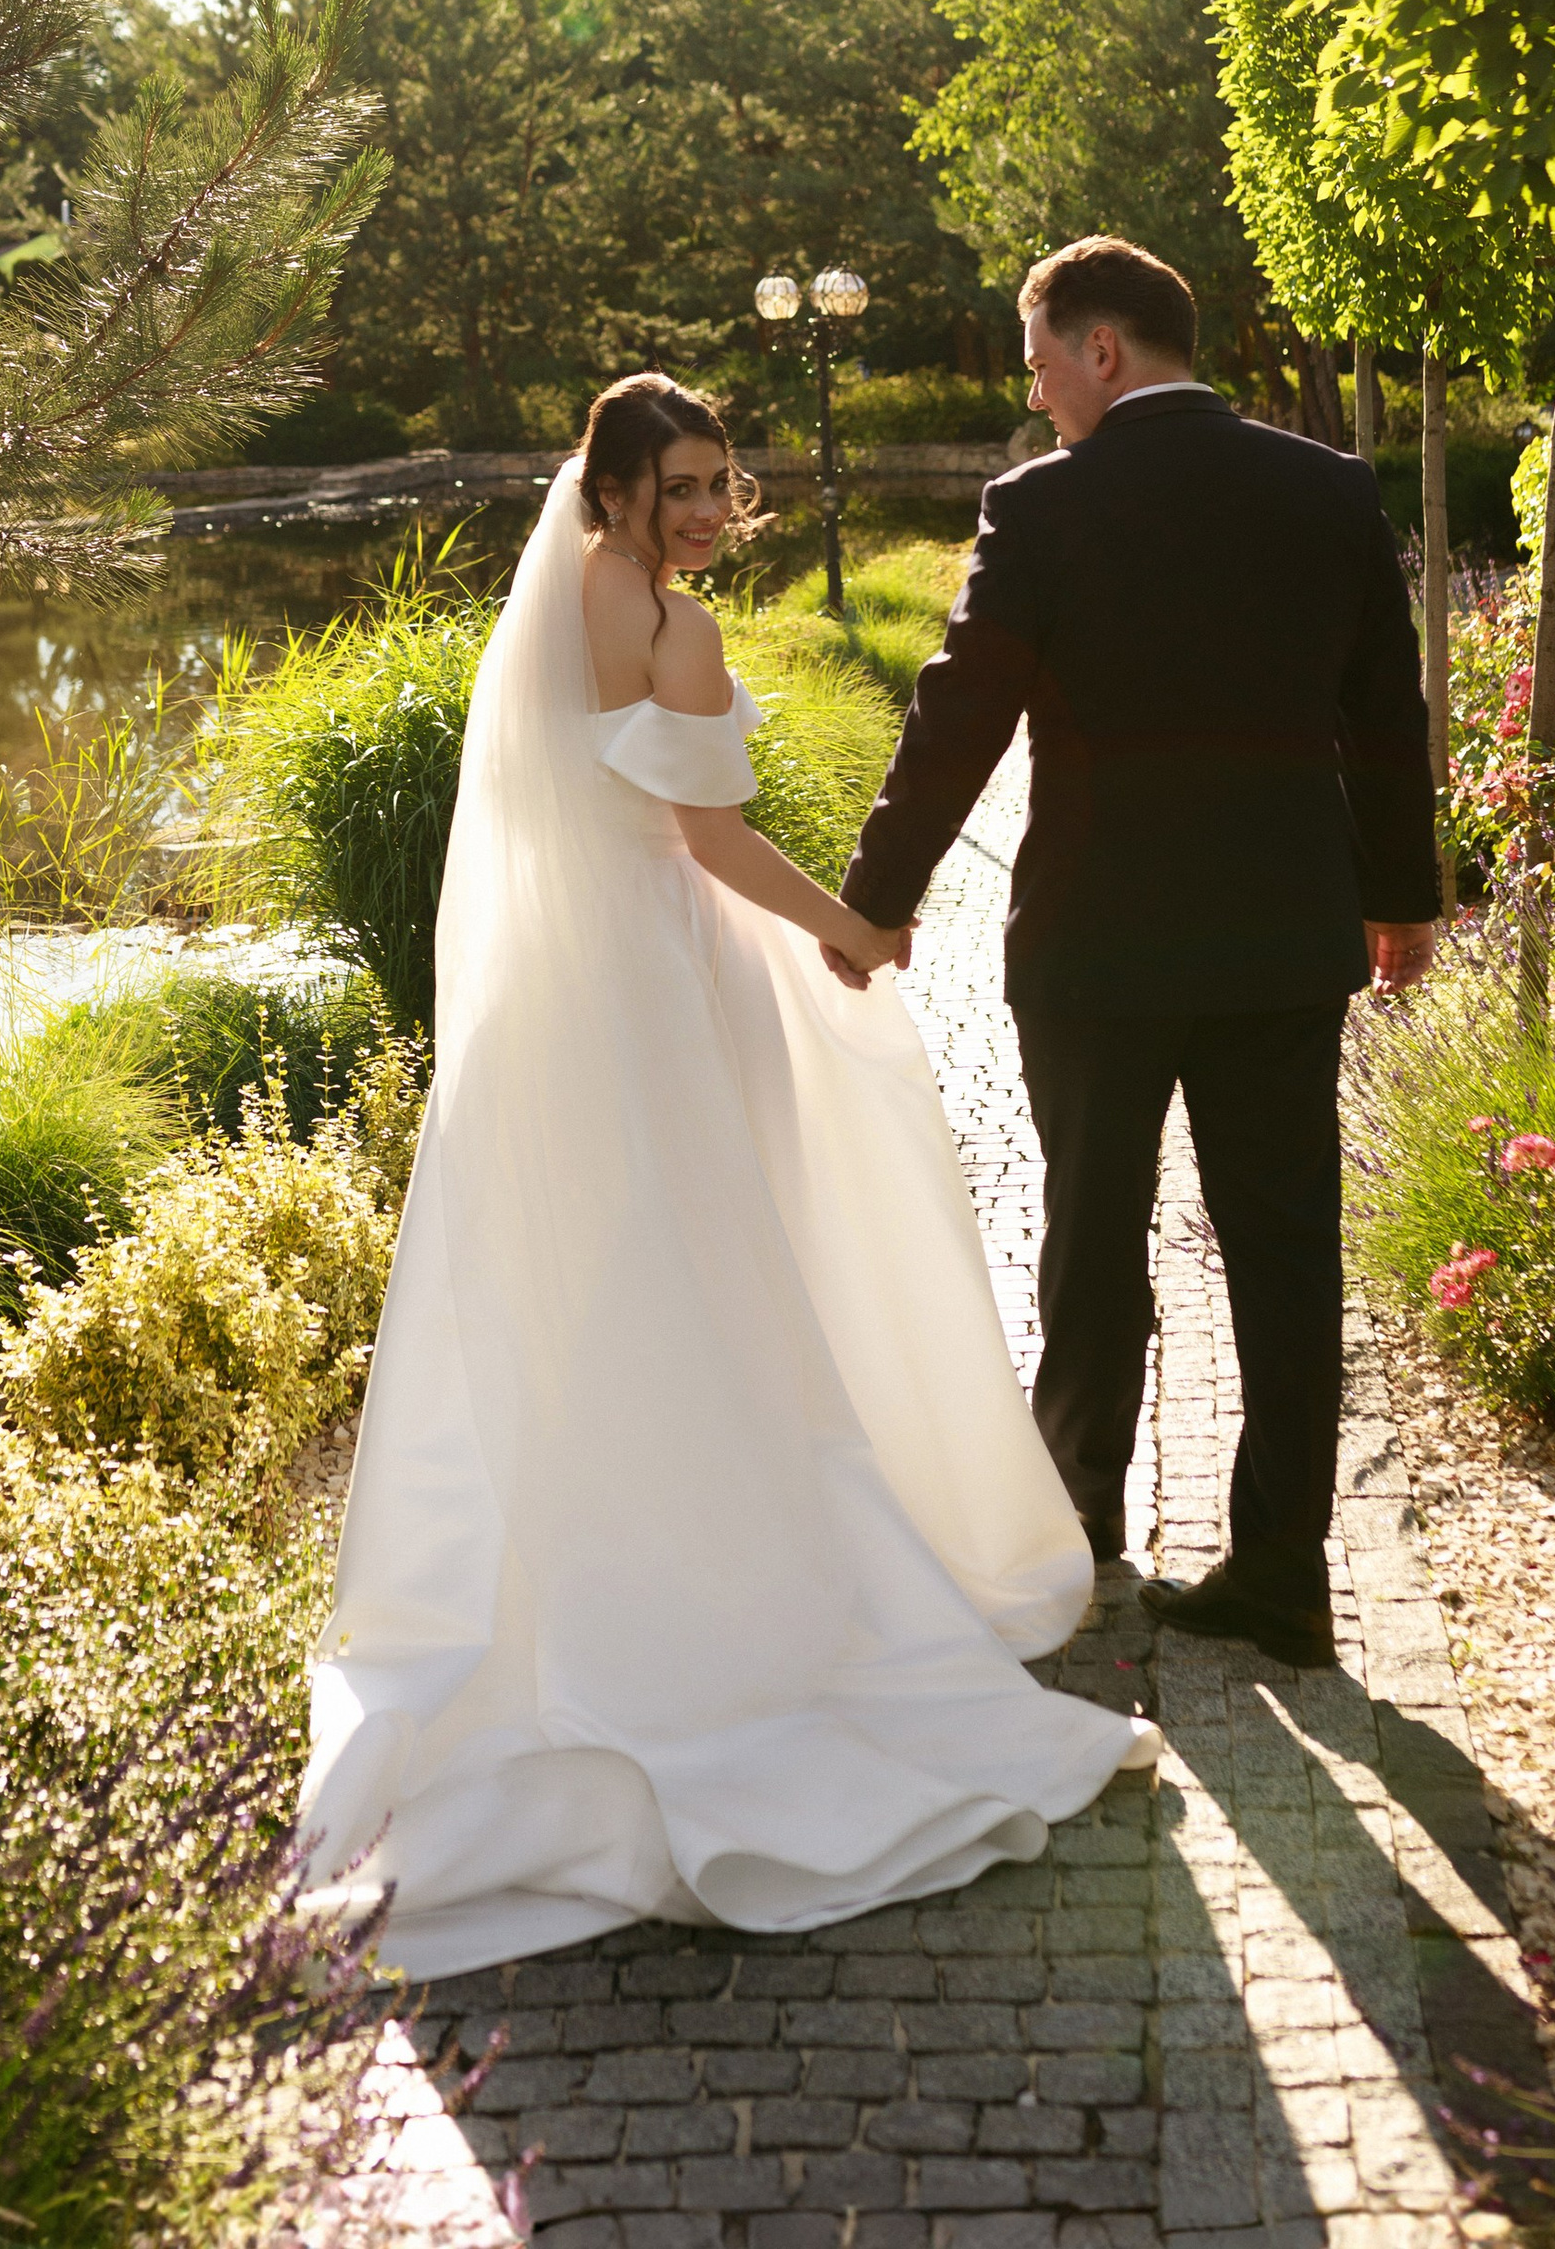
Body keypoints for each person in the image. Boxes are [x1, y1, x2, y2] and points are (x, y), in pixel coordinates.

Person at [297, 372, 1155, 1980]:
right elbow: (709, 844)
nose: (703, 510)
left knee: (603, 1287)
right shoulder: (673, 631)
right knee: (723, 1278)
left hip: (554, 1005)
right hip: (666, 989)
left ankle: (572, 1582)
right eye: (675, 484)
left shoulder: (560, 595)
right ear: (610, 484)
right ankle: (732, 1602)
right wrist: (852, 923)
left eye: (715, 481)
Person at [836, 237, 1439, 1673]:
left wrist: (879, 894)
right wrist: (1403, 898)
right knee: (1288, 1252)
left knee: (1093, 1244)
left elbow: (957, 712)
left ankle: (1080, 1538)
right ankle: (1286, 1576)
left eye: (1043, 361)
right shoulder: (1330, 489)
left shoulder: (1042, 509)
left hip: (1099, 948)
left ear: (1104, 349)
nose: (1038, 395)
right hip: (1284, 940)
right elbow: (1388, 713)